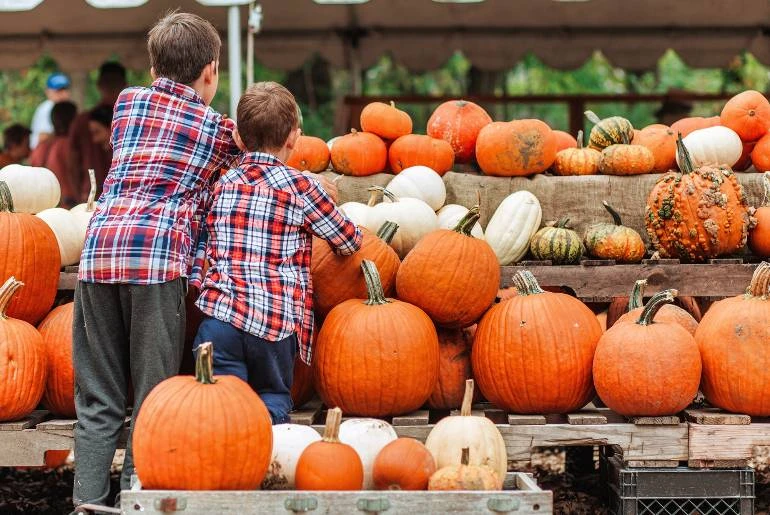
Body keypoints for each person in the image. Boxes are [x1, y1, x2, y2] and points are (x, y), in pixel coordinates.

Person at [71, 12, 240, 510]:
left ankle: (87, 506)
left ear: (150, 70)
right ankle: (137, 503)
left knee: (97, 401)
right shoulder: (217, 130)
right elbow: (250, 164)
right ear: (211, 71)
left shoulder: (126, 104)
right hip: (157, 264)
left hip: (98, 255)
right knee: (153, 400)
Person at [193, 82, 361, 424]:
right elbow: (348, 240)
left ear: (239, 139)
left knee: (221, 408)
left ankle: (228, 469)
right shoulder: (301, 187)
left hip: (219, 320)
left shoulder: (222, 184)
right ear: (293, 139)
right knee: (271, 398)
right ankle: (267, 466)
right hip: (272, 324)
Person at [68, 61, 127, 203]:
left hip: (91, 196)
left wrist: (79, 196)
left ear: (99, 85)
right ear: (125, 85)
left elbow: (72, 164)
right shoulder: (132, 119)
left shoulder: (82, 121)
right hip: (122, 195)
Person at [29, 101, 78, 207]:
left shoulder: (42, 145)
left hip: (44, 203)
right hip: (68, 202)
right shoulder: (67, 145)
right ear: (73, 119)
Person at [30, 72, 71, 150]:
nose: (63, 93)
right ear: (48, 91)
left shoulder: (68, 108)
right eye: (58, 90)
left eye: (65, 89)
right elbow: (42, 137)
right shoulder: (46, 108)